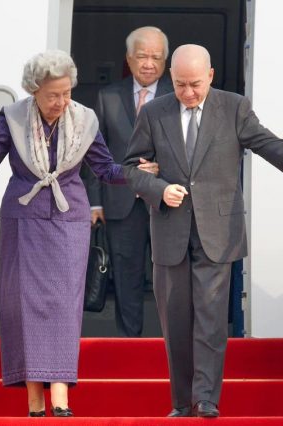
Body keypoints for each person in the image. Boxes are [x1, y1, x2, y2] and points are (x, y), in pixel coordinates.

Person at [0, 50, 157, 418]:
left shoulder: (85, 119)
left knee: (62, 307)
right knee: (24, 306)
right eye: (52, 95)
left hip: (69, 220)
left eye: (66, 93)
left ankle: (60, 397)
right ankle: (34, 401)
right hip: (23, 219)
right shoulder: (13, 116)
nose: (61, 102)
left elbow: (105, 169)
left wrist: (135, 173)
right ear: (34, 90)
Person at [123, 44, 283, 418]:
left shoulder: (233, 107)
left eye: (195, 84)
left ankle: (205, 398)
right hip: (170, 230)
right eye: (181, 84)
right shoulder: (154, 112)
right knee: (176, 321)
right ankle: (181, 403)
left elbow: (266, 142)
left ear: (211, 76)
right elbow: (130, 168)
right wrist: (157, 189)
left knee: (210, 317)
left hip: (218, 230)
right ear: (171, 78)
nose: (188, 92)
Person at [85, 26, 173, 337]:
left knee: (171, 275)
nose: (149, 63)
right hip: (121, 202)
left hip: (168, 200)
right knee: (126, 276)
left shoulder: (178, 93)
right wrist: (95, 203)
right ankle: (129, 341)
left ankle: (171, 342)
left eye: (156, 57)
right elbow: (95, 152)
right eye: (142, 56)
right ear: (128, 58)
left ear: (165, 60)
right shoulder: (108, 96)